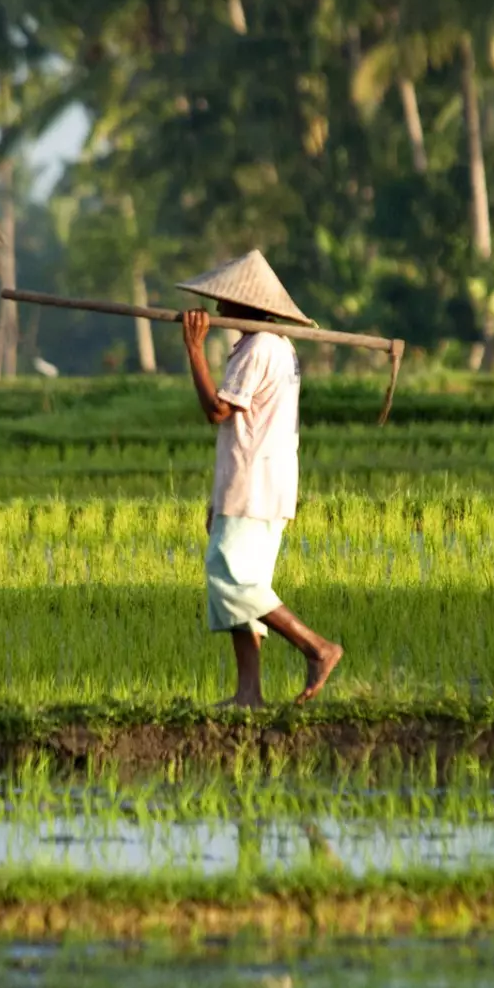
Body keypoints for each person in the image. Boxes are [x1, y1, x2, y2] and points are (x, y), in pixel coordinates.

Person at [177, 251, 343, 707]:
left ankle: (317, 647)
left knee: (235, 582)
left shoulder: (261, 348)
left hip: (255, 485)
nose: (219, 311)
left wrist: (194, 350)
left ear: (248, 306)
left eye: (227, 303)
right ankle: (249, 692)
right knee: (240, 585)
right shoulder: (270, 346)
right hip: (252, 482)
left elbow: (217, 411)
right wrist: (217, 499)